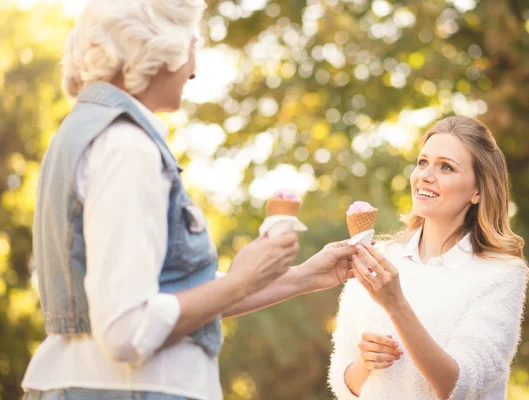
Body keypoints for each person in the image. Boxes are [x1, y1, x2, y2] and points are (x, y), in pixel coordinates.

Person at [22, 1, 356, 399]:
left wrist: (309, 275)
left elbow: (167, 294)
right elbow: (126, 330)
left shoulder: (84, 135)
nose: (194, 69)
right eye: (192, 45)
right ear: (156, 48)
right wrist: (240, 280)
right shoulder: (127, 147)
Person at [328, 116, 529, 400]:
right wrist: (365, 362)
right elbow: (342, 383)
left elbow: (461, 386)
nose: (424, 175)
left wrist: (395, 304)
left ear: (477, 190)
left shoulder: (500, 274)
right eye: (423, 162)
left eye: (446, 167)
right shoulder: (377, 258)